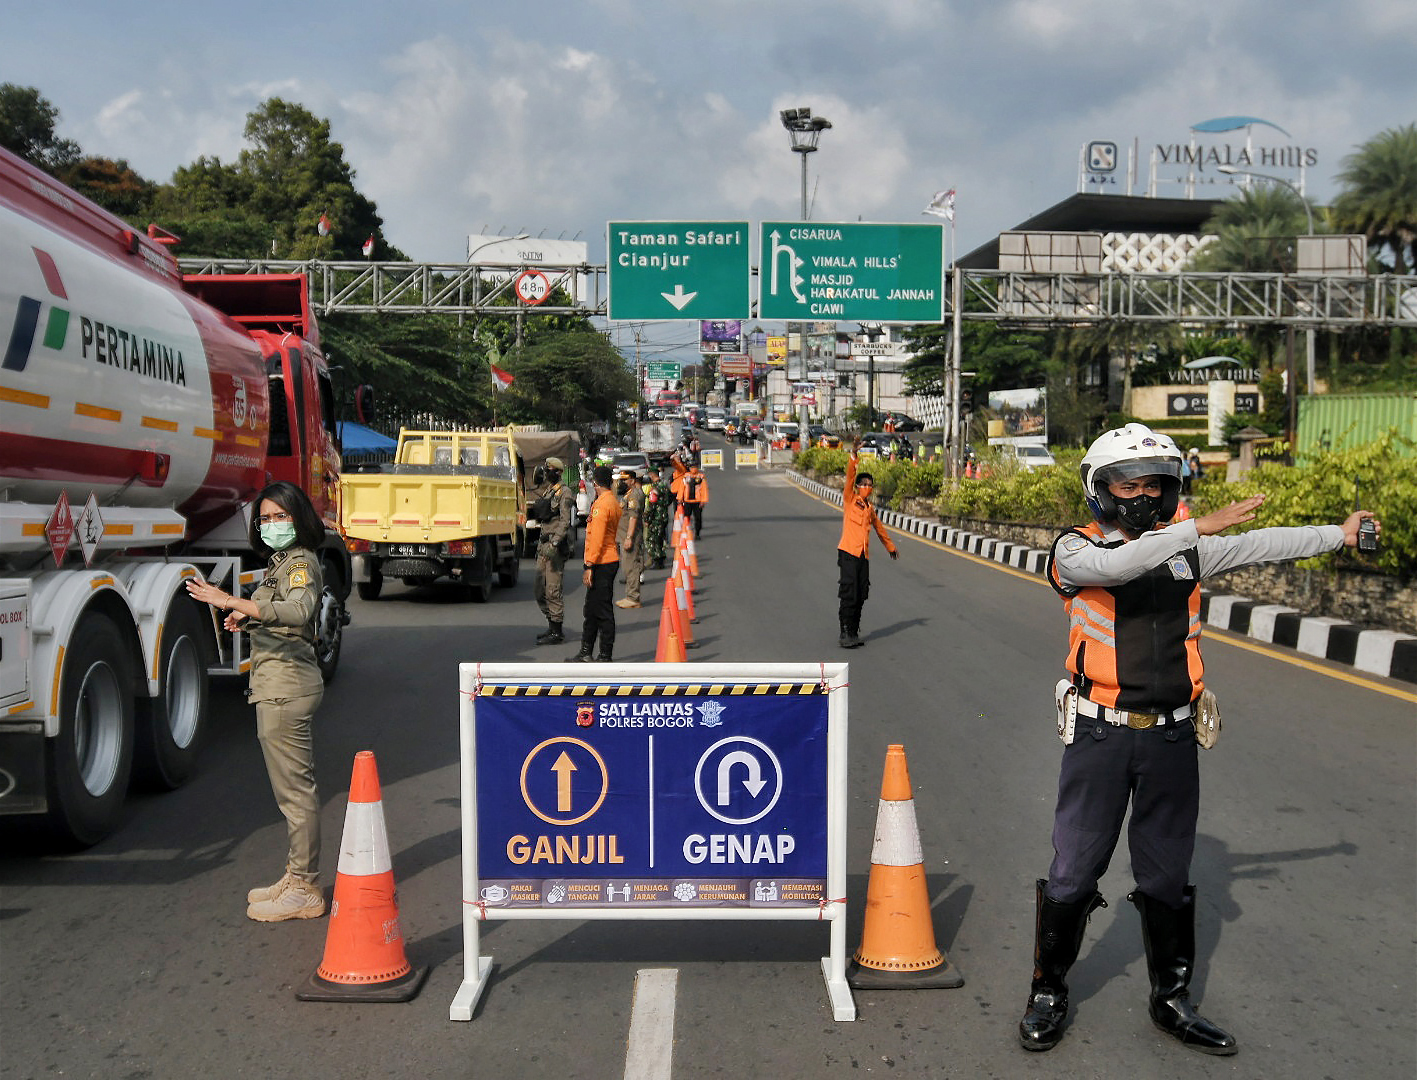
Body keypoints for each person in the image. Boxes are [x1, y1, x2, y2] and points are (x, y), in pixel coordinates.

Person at [1019, 423, 1381, 1057]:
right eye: (1128, 485)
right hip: (1101, 737)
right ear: (1100, 490)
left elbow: (1261, 544)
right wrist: (1192, 530)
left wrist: (1339, 534)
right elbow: (1120, 564)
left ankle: (1171, 999)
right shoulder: (1076, 551)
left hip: (1171, 740)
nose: (1143, 496)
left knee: (1166, 876)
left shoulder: (1185, 552)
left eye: (1154, 485)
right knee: (1073, 872)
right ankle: (1048, 990)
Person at [186, 482, 329, 922]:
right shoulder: (281, 562)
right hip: (276, 682)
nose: (271, 524)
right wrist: (245, 617)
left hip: (287, 686)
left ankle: (304, 887)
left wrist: (231, 600)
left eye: (280, 516)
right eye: (265, 518)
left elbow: (300, 612)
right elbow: (281, 618)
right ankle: (295, 875)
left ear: (299, 518)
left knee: (295, 796)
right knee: (290, 794)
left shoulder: (300, 563)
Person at [836, 437, 898, 648]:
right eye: (864, 484)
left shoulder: (870, 509)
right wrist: (854, 455)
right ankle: (845, 632)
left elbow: (880, 529)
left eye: (870, 485)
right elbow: (850, 476)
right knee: (849, 593)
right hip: (848, 553)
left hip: (863, 556)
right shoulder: (850, 499)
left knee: (861, 593)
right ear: (857, 486)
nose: (867, 488)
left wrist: (890, 547)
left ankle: (854, 631)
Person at [568, 465, 621, 662]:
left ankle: (605, 655)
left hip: (601, 562)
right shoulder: (612, 501)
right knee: (591, 610)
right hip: (607, 559)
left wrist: (589, 566)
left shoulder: (601, 506)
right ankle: (586, 651)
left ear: (596, 484)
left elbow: (597, 539)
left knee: (602, 611)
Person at [531, 456, 577, 645]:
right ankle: (551, 623)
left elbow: (565, 522)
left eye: (549, 470)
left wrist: (555, 543)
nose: (546, 473)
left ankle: (557, 631)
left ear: (557, 472)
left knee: (552, 589)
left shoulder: (565, 493)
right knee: (538, 589)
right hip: (544, 545)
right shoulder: (549, 490)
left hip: (554, 548)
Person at [615, 468, 645, 609]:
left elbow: (633, 518)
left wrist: (629, 537)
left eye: (624, 480)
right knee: (627, 566)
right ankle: (630, 595)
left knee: (631, 567)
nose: (622, 483)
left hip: (630, 536)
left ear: (632, 481)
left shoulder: (633, 496)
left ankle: (633, 597)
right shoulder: (627, 495)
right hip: (623, 536)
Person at [642, 465, 671, 571]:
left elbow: (651, 504)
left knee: (652, 539)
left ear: (652, 475)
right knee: (660, 538)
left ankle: (657, 560)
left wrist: (647, 518)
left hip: (656, 517)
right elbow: (670, 498)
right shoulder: (664, 485)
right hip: (663, 515)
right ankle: (661, 558)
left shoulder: (654, 488)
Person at [678, 460, 710, 539]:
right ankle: (686, 531)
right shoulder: (686, 477)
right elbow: (682, 488)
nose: (694, 469)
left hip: (697, 501)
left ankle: (697, 533)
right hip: (687, 501)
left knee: (698, 518)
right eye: (692, 467)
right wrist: (680, 498)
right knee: (686, 518)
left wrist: (703, 500)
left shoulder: (701, 477)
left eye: (695, 467)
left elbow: (704, 489)